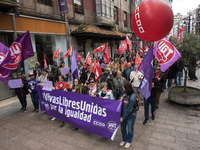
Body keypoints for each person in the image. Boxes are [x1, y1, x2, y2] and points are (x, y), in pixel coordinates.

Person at [119, 82, 137, 149]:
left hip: (130, 116)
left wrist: (123, 117)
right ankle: (124, 139)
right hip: (123, 115)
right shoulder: (123, 93)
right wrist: (120, 101)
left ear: (127, 88)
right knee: (123, 128)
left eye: (123, 87)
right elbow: (118, 101)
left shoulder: (132, 96)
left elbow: (129, 109)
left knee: (130, 129)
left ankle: (129, 141)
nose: (122, 88)